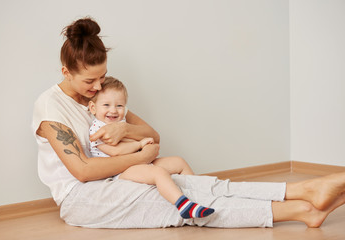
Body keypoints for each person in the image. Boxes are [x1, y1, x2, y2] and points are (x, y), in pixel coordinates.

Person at [32, 16, 345, 229]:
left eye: (102, 77)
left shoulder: (99, 101)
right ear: (66, 72)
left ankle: (303, 193)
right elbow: (83, 170)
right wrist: (141, 157)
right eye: (91, 80)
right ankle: (302, 206)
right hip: (83, 198)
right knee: (176, 201)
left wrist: (125, 129)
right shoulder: (50, 107)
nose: (99, 88)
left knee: (192, 185)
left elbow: (152, 134)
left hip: (117, 179)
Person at [88, 76, 214, 219]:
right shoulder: (97, 129)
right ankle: (184, 206)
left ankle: (202, 194)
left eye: (119, 106)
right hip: (119, 171)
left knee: (178, 162)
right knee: (158, 173)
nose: (114, 110)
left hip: (138, 162)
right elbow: (116, 152)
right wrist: (140, 144)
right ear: (93, 107)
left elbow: (146, 135)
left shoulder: (121, 122)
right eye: (106, 105)